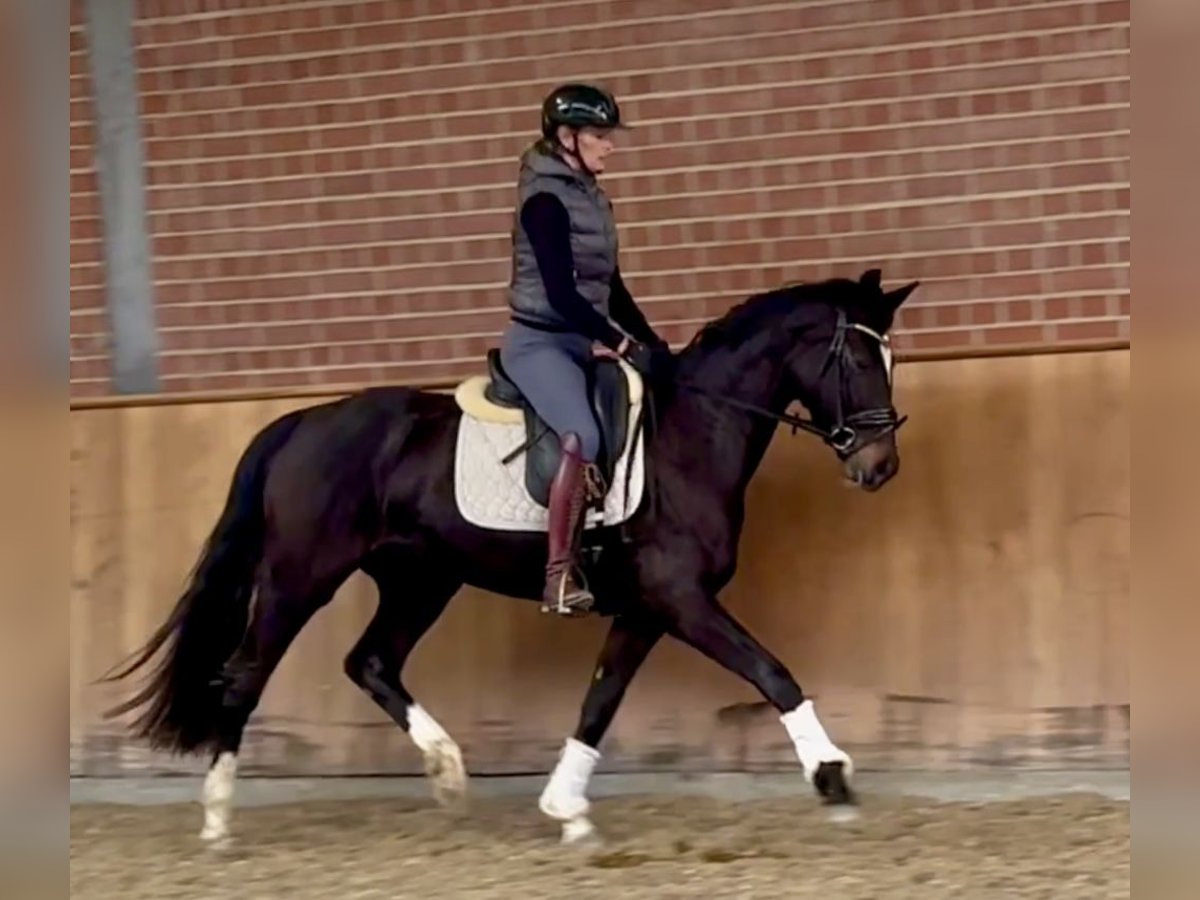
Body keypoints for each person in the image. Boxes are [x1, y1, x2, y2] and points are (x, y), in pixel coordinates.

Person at [500, 82, 673, 617]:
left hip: (580, 341)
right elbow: (560, 292)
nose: (610, 145)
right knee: (584, 433)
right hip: (538, 344)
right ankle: (558, 576)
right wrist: (617, 341)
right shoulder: (545, 200)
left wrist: (651, 343)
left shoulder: (592, 198)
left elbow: (611, 287)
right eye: (600, 136)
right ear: (567, 137)